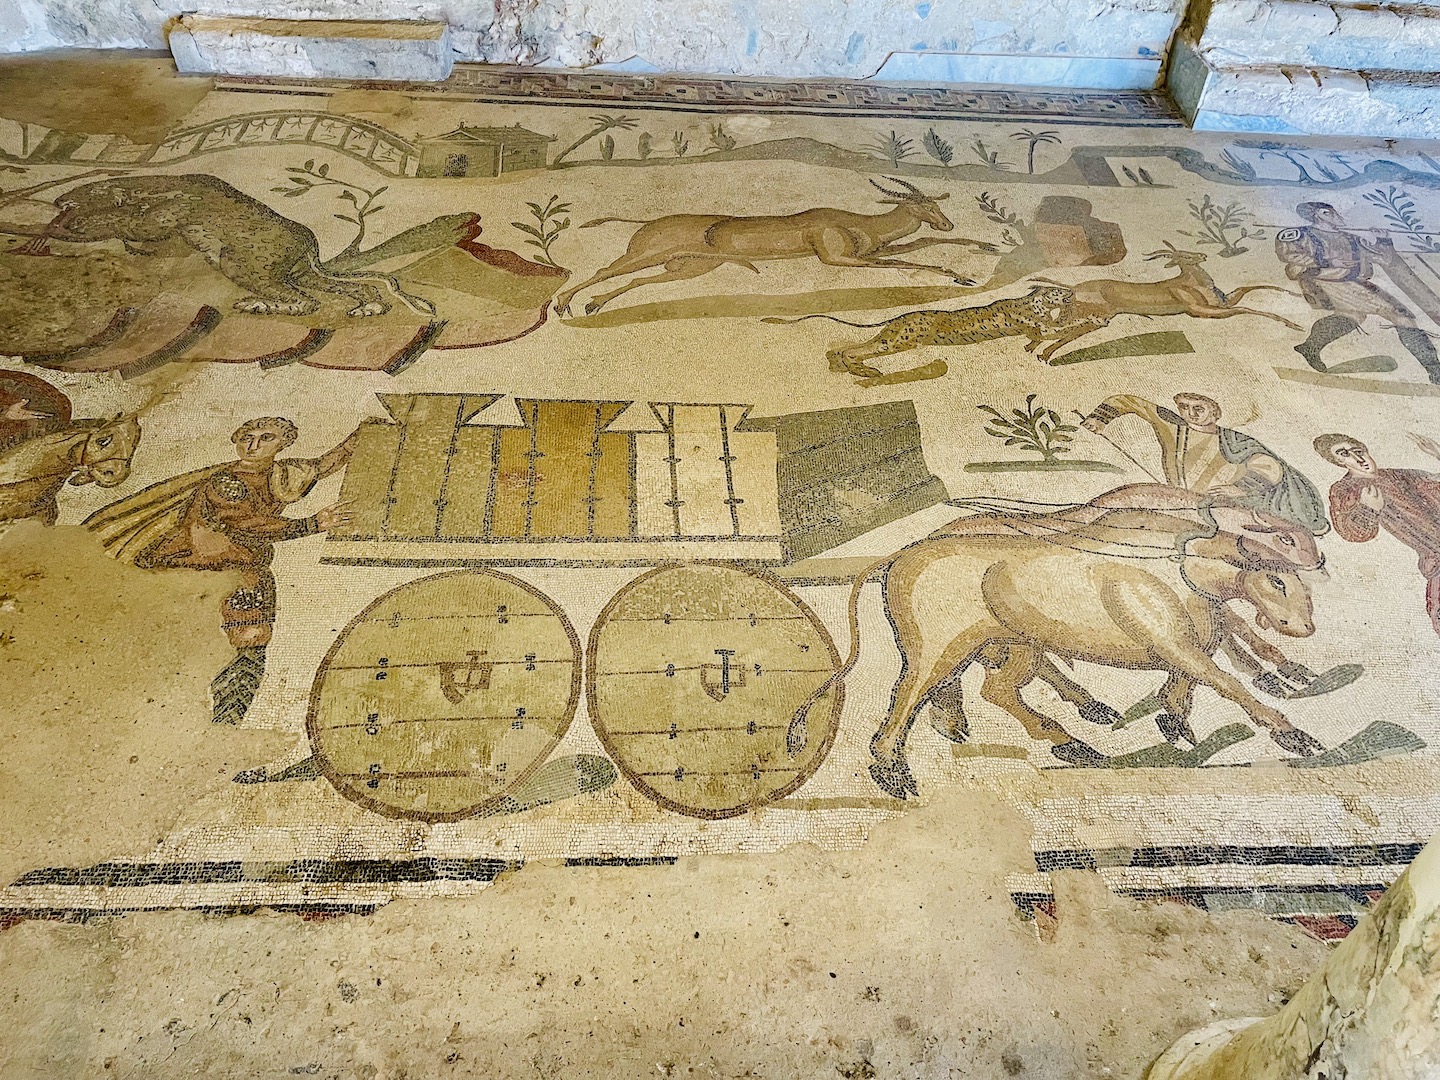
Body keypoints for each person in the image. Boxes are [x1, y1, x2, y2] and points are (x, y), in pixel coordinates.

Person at [86, 417, 356, 723]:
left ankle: (226, 722)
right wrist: (311, 524)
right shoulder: (227, 483)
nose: (253, 445)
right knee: (203, 648)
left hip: (243, 571)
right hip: (199, 570)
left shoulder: (281, 475)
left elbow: (320, 467)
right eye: (246, 437)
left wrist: (356, 440)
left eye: (265, 438)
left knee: (250, 640)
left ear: (283, 444)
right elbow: (243, 521)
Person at [1082, 392, 1328, 535]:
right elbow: (1132, 402)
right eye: (1185, 407)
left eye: (1199, 408)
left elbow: (1270, 467)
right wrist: (1099, 419)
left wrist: (1240, 488)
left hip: (1228, 505)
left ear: (1215, 413)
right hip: (1188, 503)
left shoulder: (1234, 440)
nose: (1191, 413)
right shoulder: (1172, 426)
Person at [1275, 202, 1440, 382]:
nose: (1333, 215)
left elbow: (1383, 259)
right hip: (1325, 280)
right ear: (1316, 215)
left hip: (1351, 281)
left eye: (1333, 211)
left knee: (1352, 316)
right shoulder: (1301, 235)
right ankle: (1434, 370)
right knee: (1401, 316)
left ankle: (1310, 347)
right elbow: (1288, 255)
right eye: (1326, 212)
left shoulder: (1351, 238)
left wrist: (1383, 240)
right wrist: (1329, 262)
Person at [1314, 432, 1440, 635]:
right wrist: (1369, 509)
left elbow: (1434, 484)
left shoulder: (1394, 475)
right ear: (1339, 462)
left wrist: (1437, 453)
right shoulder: (1345, 490)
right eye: (1345, 454)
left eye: (1358, 451)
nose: (1358, 459)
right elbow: (1353, 532)